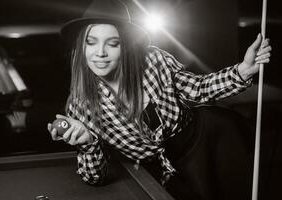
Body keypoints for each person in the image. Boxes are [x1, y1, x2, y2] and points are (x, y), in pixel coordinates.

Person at [47, 0, 272, 199]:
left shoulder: (153, 60)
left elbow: (198, 89)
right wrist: (87, 142)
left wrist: (242, 71)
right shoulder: (79, 106)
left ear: (125, 46)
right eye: (91, 42)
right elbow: (94, 177)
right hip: (162, 172)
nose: (100, 52)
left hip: (206, 144)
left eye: (112, 43)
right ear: (81, 46)